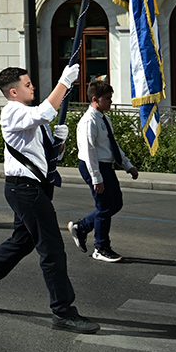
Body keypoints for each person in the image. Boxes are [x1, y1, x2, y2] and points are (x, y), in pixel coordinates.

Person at [0, 63, 99, 334]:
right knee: (52, 249)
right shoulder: (12, 111)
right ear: (13, 92)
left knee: (21, 243)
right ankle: (63, 311)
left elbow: (45, 157)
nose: (32, 87)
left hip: (32, 188)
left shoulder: (28, 116)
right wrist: (64, 82)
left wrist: (59, 143)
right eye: (27, 84)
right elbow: (46, 111)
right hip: (25, 190)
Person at [71, 79, 138, 263]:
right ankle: (101, 248)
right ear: (95, 99)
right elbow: (89, 151)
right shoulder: (89, 121)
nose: (110, 101)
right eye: (107, 98)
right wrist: (96, 178)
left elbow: (112, 145)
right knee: (105, 206)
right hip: (94, 166)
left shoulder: (103, 118)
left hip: (105, 166)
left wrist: (127, 165)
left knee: (115, 203)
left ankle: (81, 227)